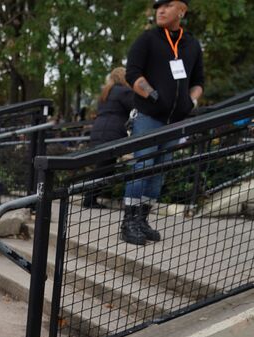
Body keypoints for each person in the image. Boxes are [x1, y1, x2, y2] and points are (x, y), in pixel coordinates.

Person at [122, 0, 204, 244]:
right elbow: (132, 74)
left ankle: (143, 220)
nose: (161, 9)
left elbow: (198, 81)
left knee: (158, 172)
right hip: (148, 117)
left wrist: (192, 102)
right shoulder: (147, 39)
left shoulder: (192, 45)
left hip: (175, 122)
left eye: (168, 5)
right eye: (158, 6)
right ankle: (129, 223)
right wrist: (151, 94)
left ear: (182, 10)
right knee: (142, 167)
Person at [85, 67, 135, 208]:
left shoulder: (105, 93)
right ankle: (89, 199)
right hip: (112, 133)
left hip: (99, 131)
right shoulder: (124, 92)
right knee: (104, 168)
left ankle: (90, 198)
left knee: (101, 167)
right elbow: (135, 107)